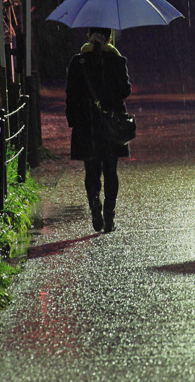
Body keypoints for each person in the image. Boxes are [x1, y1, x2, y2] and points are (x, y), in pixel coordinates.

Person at [65, 27, 132, 233]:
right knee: (111, 170)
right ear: (109, 37)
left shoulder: (79, 61)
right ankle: (109, 215)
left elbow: (71, 94)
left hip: (87, 125)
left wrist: (73, 120)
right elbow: (125, 91)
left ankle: (94, 201)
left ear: (89, 36)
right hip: (111, 125)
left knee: (91, 169)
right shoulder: (116, 59)